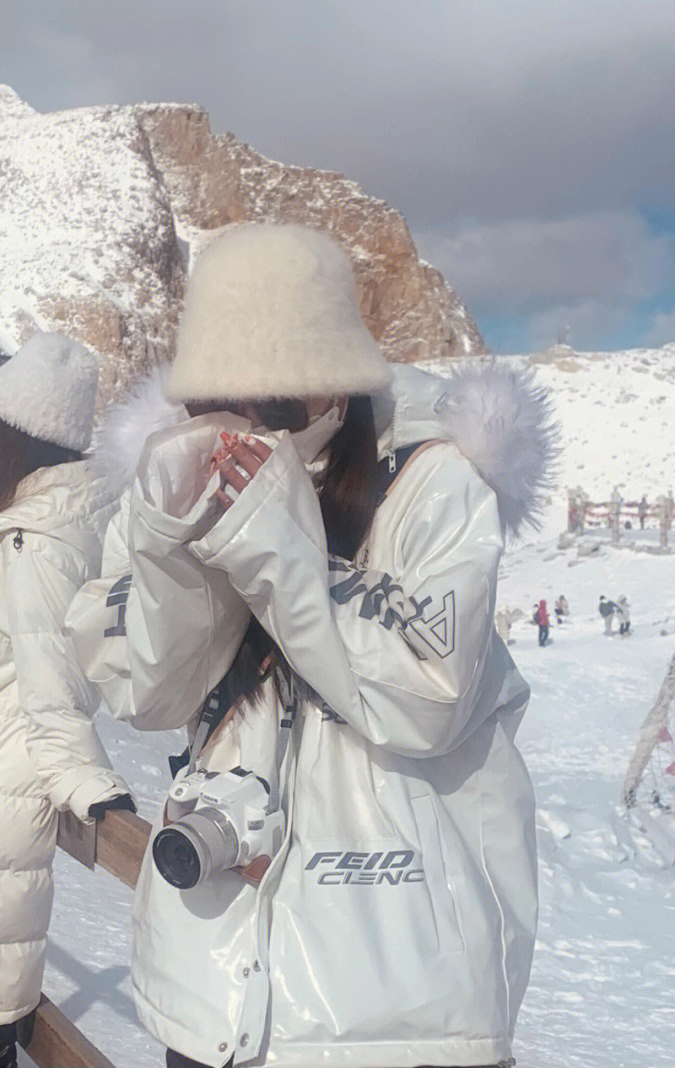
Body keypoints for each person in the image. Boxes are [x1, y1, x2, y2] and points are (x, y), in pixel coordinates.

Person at [67, 225, 552, 1068]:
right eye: (218, 405)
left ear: (339, 390)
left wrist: (281, 545)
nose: (249, 433)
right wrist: (165, 545)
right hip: (213, 1004)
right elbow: (147, 695)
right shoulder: (178, 484)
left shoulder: (433, 485)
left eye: (280, 408)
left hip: (398, 1021)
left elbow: (426, 693)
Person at [0, 334, 134, 1068]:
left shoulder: (36, 540)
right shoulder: (63, 516)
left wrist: (94, 789)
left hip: (9, 809)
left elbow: (54, 688)